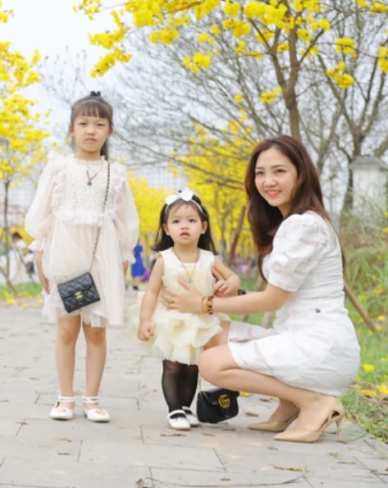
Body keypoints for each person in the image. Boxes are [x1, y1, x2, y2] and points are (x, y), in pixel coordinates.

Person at [163, 136, 361, 444]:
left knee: (212, 363)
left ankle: (314, 401)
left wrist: (204, 303)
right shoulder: (291, 223)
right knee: (214, 334)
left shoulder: (303, 226)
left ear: (301, 174)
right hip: (300, 337)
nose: (268, 181)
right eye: (260, 173)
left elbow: (272, 300)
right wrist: (226, 290)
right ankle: (289, 404)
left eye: (279, 171)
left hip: (321, 347)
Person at [25, 92, 139, 423]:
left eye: (99, 124)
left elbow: (124, 220)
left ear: (110, 131)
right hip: (63, 252)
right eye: (84, 123)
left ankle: (92, 399)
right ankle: (65, 398)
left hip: (101, 255)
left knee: (97, 331)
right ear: (72, 129)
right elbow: (42, 216)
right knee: (66, 329)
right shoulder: (58, 168)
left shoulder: (115, 173)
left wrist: (122, 260)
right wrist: (41, 257)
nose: (91, 130)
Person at [128, 190, 241, 430]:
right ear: (167, 229)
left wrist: (228, 283)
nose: (184, 226)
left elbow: (233, 279)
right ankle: (174, 409)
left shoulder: (209, 258)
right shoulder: (164, 259)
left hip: (201, 318)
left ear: (203, 226)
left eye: (191, 220)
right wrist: (145, 319)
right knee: (172, 364)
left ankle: (187, 407)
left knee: (192, 366)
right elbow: (151, 292)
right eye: (176, 221)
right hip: (172, 319)